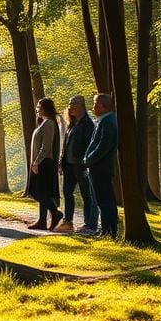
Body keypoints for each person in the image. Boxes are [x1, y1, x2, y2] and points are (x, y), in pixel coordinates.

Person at [56, 95, 96, 233]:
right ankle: (68, 222)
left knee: (86, 194)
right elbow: (65, 146)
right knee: (67, 192)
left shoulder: (88, 124)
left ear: (82, 106)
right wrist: (61, 163)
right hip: (69, 166)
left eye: (74, 103)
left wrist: (86, 164)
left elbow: (89, 146)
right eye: (70, 103)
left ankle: (88, 224)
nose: (71, 106)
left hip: (81, 165)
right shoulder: (72, 124)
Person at [83, 92, 119, 237]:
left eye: (94, 103)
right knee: (102, 200)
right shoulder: (103, 120)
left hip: (101, 168)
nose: (93, 107)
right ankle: (107, 229)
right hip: (97, 167)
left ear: (101, 105)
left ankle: (108, 231)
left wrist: (88, 159)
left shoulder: (109, 122)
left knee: (104, 201)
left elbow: (103, 146)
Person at [27, 98, 63, 230]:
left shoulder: (49, 123)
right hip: (41, 162)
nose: (37, 109)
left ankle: (55, 212)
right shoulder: (44, 122)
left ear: (45, 108)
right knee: (41, 192)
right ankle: (43, 220)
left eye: (39, 107)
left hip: (44, 162)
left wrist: (36, 162)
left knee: (39, 192)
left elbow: (46, 146)